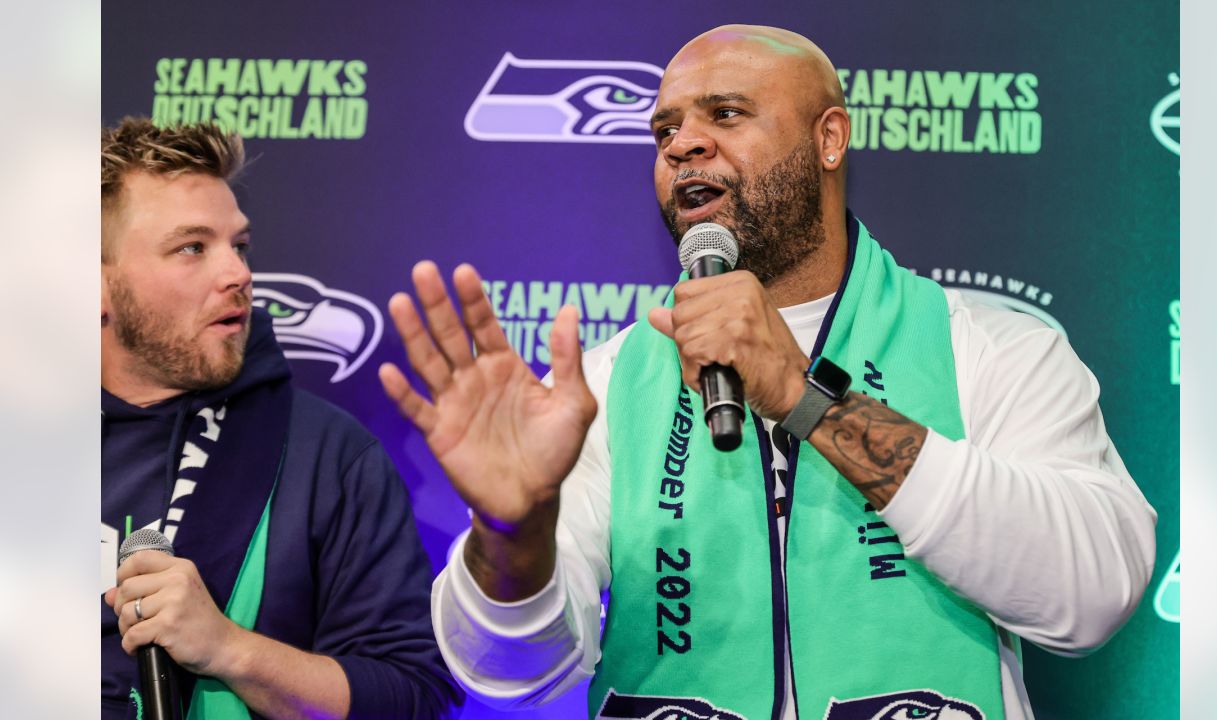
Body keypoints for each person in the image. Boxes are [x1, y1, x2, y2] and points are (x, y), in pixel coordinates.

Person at [380, 25, 1157, 720]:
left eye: (724, 114)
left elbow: (1092, 595)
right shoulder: (610, 384)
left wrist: (805, 398)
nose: (682, 143)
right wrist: (513, 532)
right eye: (664, 129)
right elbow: (513, 672)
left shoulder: (991, 347)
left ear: (829, 139)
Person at [100, 117, 461, 719]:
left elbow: (412, 699)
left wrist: (228, 649)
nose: (238, 274)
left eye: (238, 246)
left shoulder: (329, 458)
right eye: (193, 247)